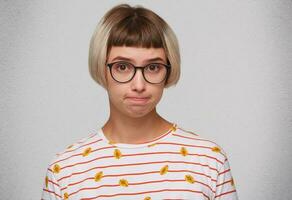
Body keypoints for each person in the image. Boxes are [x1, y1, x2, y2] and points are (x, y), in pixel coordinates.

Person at [41, 4, 238, 200]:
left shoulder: (209, 160)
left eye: (153, 67)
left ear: (169, 70)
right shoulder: (66, 169)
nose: (139, 84)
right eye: (122, 66)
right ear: (102, 69)